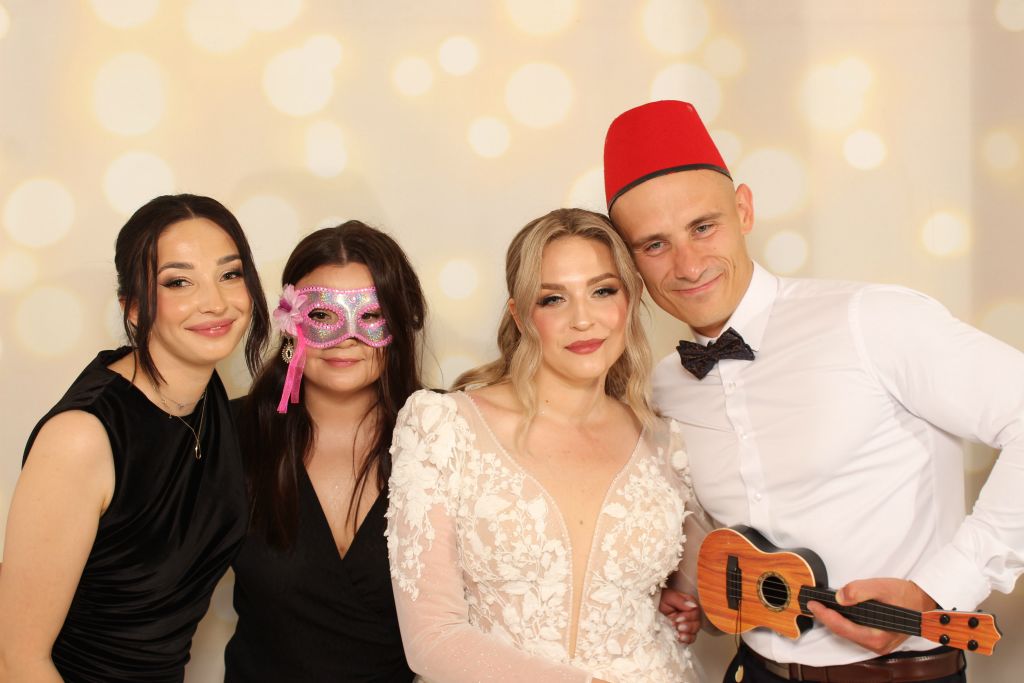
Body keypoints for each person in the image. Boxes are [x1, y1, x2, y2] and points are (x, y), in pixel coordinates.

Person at [602, 99, 1024, 682]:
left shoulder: (871, 319)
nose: (688, 264)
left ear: (744, 209)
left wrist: (938, 588)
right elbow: (707, 532)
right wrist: (684, 588)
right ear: (630, 263)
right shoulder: (662, 388)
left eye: (703, 227)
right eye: (654, 245)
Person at [386, 208, 706, 683]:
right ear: (520, 316)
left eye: (603, 291)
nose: (583, 319)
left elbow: (708, 591)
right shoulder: (442, 426)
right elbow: (432, 638)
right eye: (553, 299)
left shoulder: (665, 440)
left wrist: (686, 607)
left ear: (632, 297)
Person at [0, 194, 270, 682]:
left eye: (230, 274)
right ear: (134, 306)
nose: (215, 302)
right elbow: (18, 660)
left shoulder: (205, 394)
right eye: (179, 281)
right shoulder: (82, 438)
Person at [224, 222, 426, 681]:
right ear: (289, 319)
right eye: (322, 315)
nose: (345, 337)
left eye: (370, 316)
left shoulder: (445, 435)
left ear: (400, 321)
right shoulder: (230, 434)